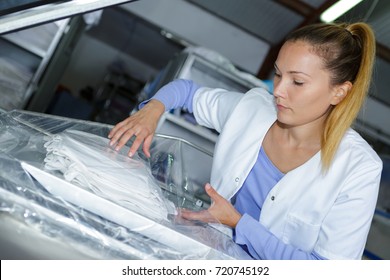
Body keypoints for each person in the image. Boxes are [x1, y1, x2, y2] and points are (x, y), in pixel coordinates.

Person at [108, 22, 383, 260]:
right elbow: (186, 91)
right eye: (278, 74)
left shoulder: (358, 168)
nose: (278, 91)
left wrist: (239, 223)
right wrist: (152, 110)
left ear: (339, 92)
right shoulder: (254, 109)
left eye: (297, 82)